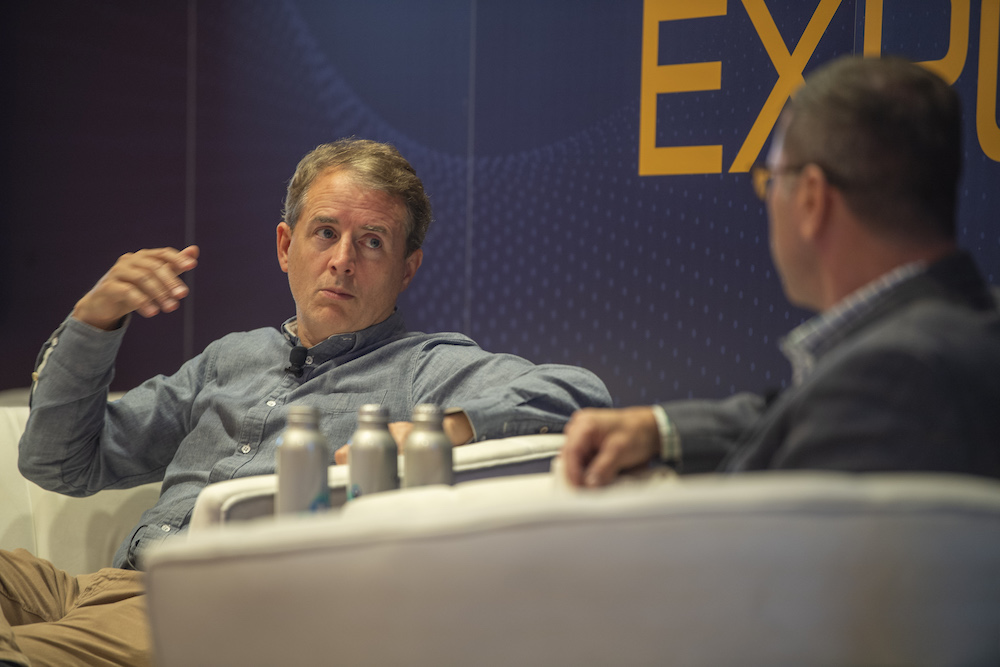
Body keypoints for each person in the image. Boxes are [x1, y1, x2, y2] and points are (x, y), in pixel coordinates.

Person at [3, 138, 611, 666]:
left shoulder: (423, 368)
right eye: (326, 233)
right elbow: (57, 461)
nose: (342, 261)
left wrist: (445, 428)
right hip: (88, 588)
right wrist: (93, 322)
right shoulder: (230, 358)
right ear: (285, 245)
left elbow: (579, 395)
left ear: (406, 270)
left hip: (198, 613)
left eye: (372, 242)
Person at [563, 55, 1000, 488]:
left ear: (812, 199)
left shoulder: (891, 378)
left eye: (771, 177)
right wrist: (658, 428)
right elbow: (798, 413)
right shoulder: (962, 335)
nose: (768, 197)